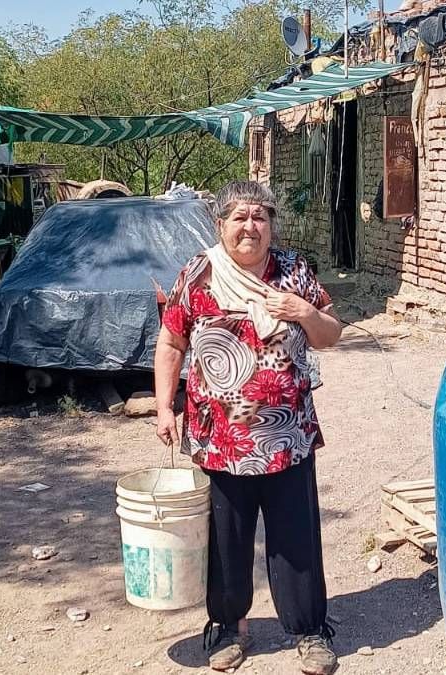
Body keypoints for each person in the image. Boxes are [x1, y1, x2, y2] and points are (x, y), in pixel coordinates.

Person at [154, 181, 343, 675]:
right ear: (220, 225)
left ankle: (308, 631)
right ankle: (228, 629)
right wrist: (162, 407)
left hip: (286, 433)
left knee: (295, 538)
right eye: (239, 217)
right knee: (226, 538)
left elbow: (331, 335)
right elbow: (172, 344)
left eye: (259, 217)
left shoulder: (293, 272)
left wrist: (303, 312)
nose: (249, 227)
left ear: (271, 224)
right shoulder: (199, 275)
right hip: (222, 435)